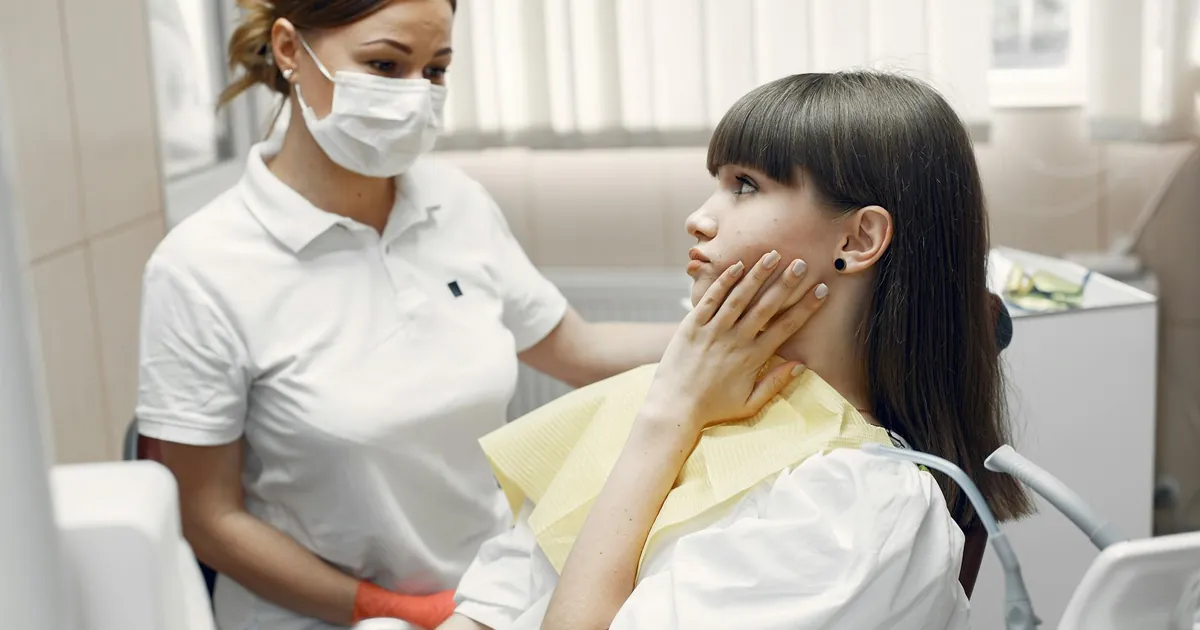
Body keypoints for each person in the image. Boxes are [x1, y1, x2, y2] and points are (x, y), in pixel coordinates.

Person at [134, 1, 677, 629]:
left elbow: (577, 350)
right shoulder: (200, 267)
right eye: (385, 66)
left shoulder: (456, 203)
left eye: (436, 70)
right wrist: (400, 611)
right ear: (289, 51)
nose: (415, 95)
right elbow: (206, 518)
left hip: (484, 601)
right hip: (324, 618)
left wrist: (736, 328)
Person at [439, 72, 1034, 630]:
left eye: (745, 186)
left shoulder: (854, 504)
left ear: (858, 238)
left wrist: (667, 419)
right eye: (718, 182)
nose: (699, 219)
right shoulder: (678, 392)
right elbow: (496, 600)